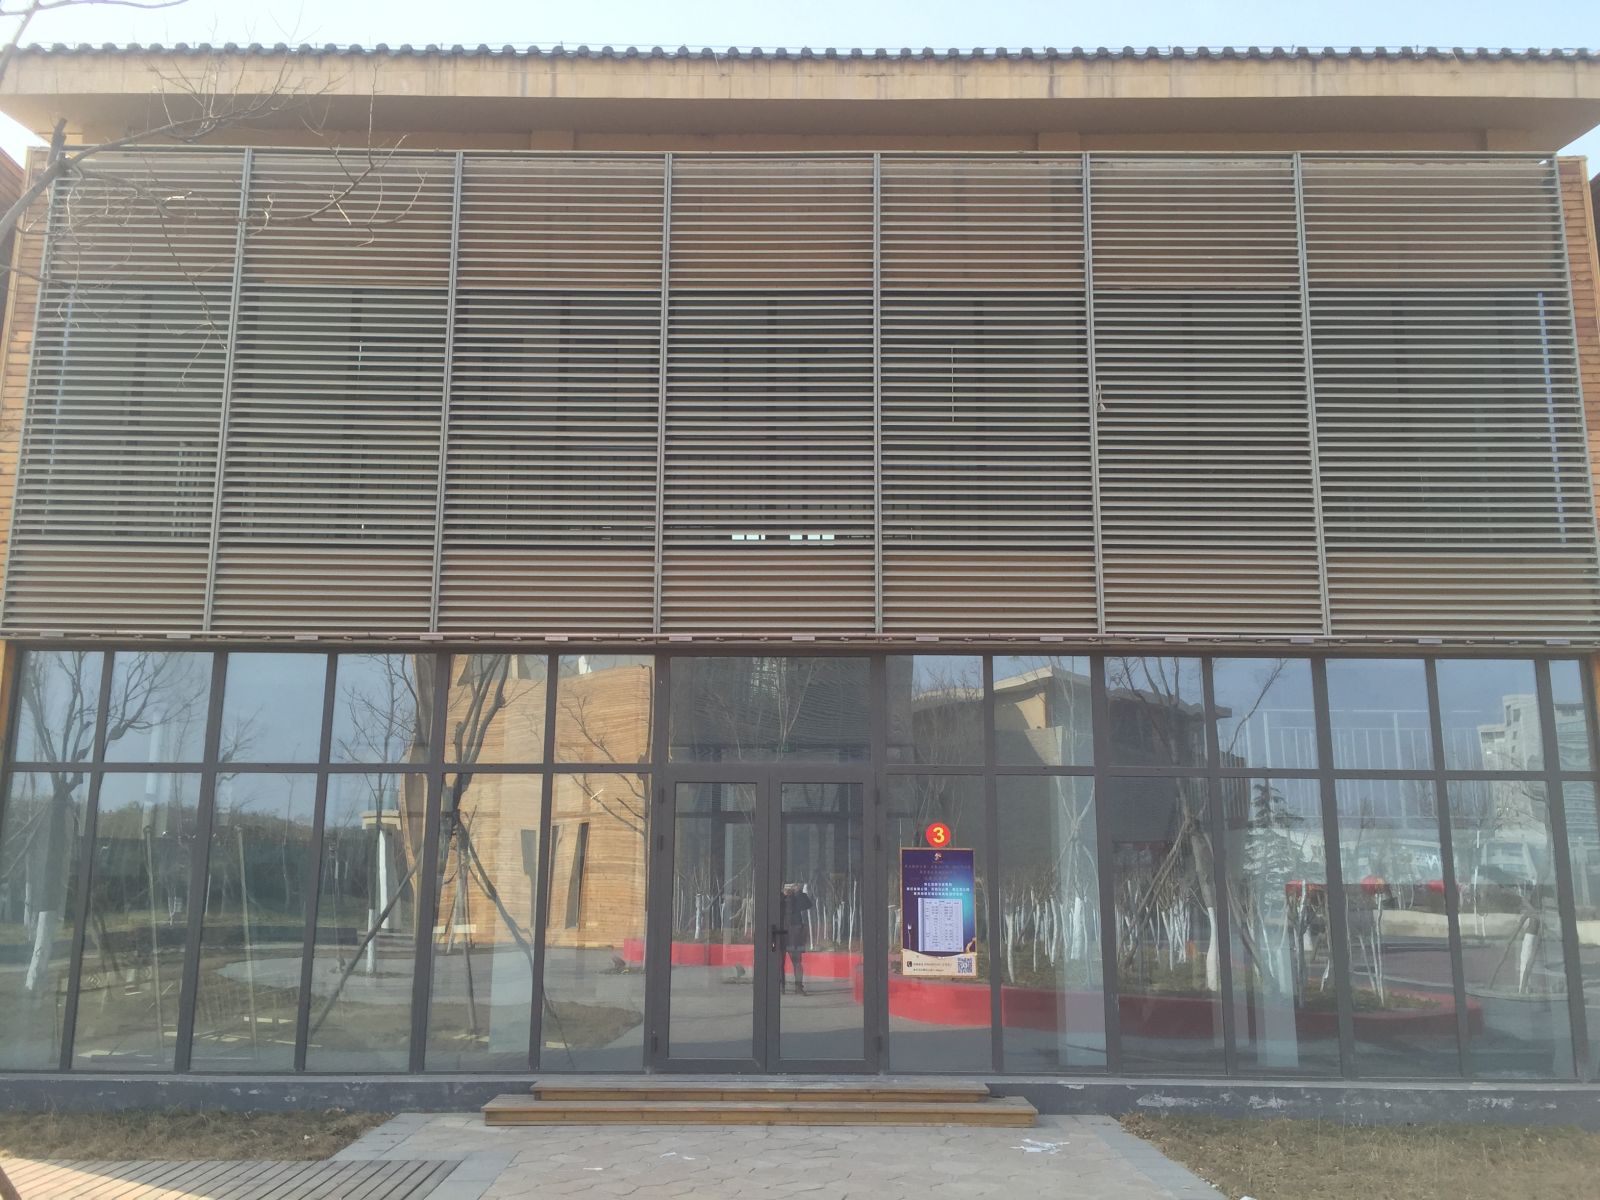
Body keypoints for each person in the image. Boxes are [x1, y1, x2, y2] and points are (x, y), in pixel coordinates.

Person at [779, 883, 813, 995]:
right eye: (787, 887)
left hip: (795, 931)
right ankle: (780, 986)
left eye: (791, 886)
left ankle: (798, 986)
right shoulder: (779, 897)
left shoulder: (797, 897)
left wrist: (798, 892)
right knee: (778, 961)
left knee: (797, 961)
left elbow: (808, 905)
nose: (789, 889)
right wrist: (783, 895)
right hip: (780, 930)